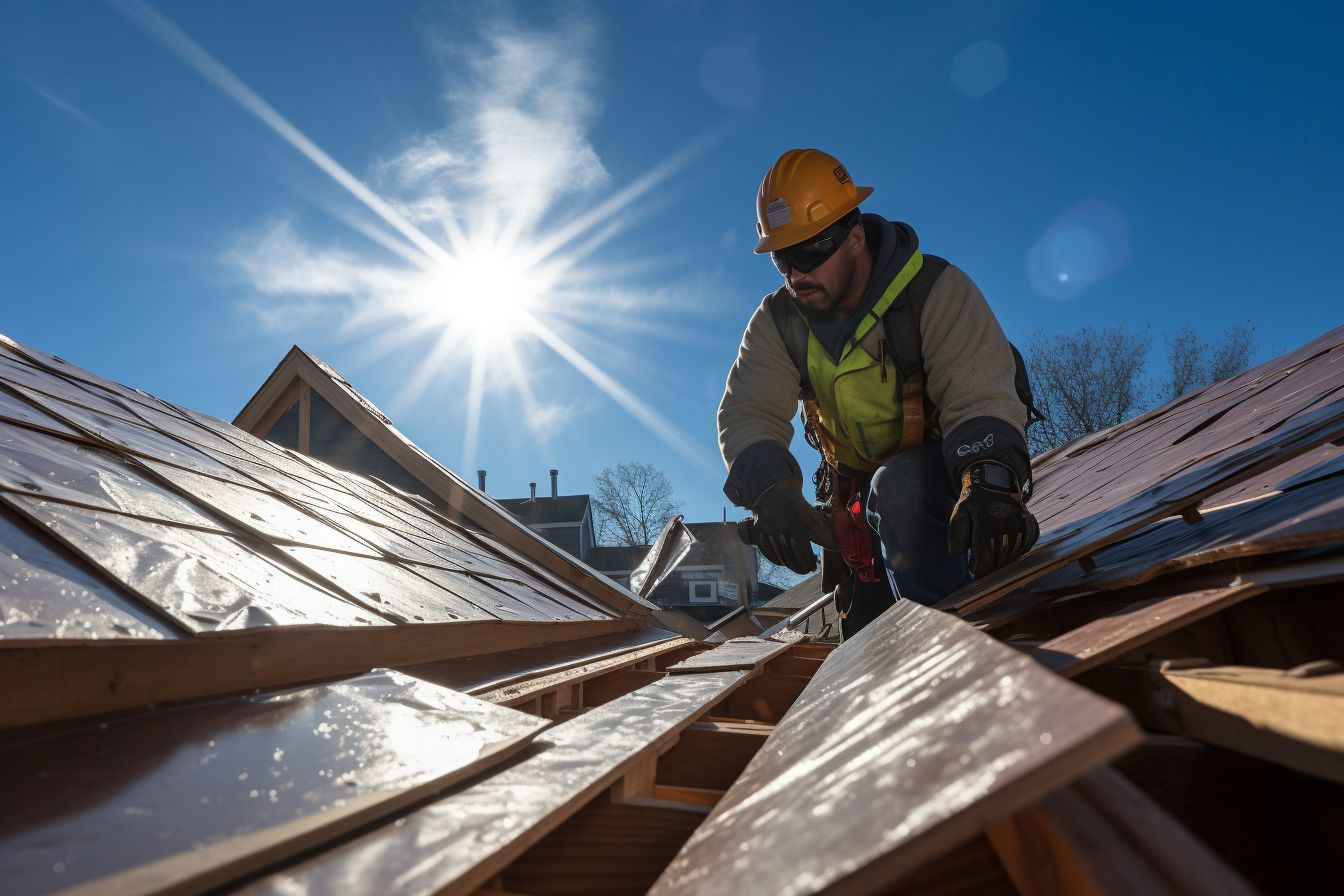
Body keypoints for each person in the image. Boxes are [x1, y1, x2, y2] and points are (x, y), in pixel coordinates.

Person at [718, 148, 1039, 637]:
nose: (796, 273)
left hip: (944, 485)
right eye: (783, 258)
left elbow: (981, 397)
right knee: (867, 645)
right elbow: (749, 410)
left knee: (900, 487)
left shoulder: (936, 290)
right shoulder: (778, 322)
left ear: (854, 238)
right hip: (858, 499)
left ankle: (961, 651)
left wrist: (991, 482)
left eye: (810, 252)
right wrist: (771, 492)